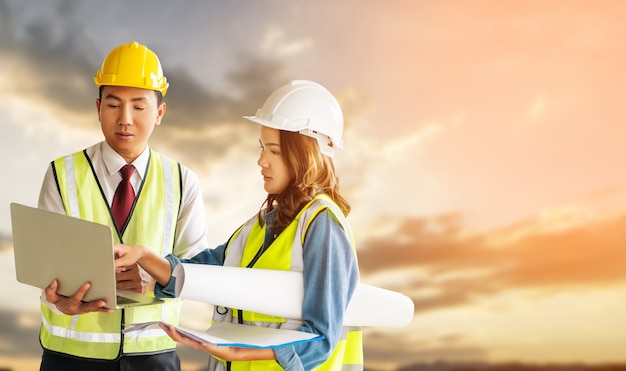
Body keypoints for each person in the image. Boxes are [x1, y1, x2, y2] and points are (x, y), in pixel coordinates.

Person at [114, 80, 363, 370]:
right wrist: (144, 257)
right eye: (262, 148)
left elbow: (321, 337)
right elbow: (199, 272)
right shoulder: (260, 227)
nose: (261, 161)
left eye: (275, 151)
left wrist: (240, 352)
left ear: (305, 154)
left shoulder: (324, 226)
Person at [37, 41, 209, 370]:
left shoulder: (182, 181)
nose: (125, 119)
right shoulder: (62, 174)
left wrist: (158, 281)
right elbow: (43, 267)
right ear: (98, 107)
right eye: (114, 105)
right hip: (70, 357)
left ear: (159, 113)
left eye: (139, 106)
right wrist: (57, 300)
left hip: (153, 357)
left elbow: (197, 271)